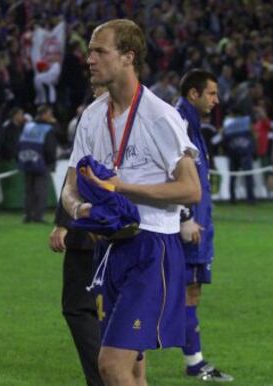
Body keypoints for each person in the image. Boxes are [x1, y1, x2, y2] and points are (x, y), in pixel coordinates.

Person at [62, 19, 201, 386]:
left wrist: (121, 188)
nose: (89, 58)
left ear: (128, 57)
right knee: (134, 369)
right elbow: (69, 186)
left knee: (110, 365)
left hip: (152, 248)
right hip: (112, 249)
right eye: (90, 51)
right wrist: (81, 210)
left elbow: (191, 189)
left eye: (99, 51)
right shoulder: (91, 117)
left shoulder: (160, 117)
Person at [176, 69, 233, 382]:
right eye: (211, 93)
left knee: (187, 291)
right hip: (187, 229)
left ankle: (193, 360)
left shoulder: (194, 126)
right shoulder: (180, 123)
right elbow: (168, 171)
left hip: (198, 226)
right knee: (182, 292)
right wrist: (185, 217)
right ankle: (193, 362)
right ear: (193, 94)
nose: (216, 99)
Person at [49, 181, 104, 386]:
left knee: (79, 309)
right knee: (117, 310)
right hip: (134, 231)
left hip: (90, 233)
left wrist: (64, 223)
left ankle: (103, 378)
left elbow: (76, 176)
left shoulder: (88, 147)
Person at [17, 104, 57, 223]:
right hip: (42, 163)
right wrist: (51, 163)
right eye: (49, 114)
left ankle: (27, 215)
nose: (51, 116)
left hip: (26, 161)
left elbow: (19, 144)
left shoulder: (27, 126)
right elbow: (50, 148)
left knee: (29, 190)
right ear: (44, 114)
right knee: (41, 190)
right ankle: (38, 216)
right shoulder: (48, 128)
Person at [222, 104, 256, 204]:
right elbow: (253, 135)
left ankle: (232, 198)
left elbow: (223, 138)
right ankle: (250, 198)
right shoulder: (247, 121)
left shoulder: (227, 124)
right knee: (248, 176)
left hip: (233, 152)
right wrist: (254, 149)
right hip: (246, 151)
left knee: (233, 176)